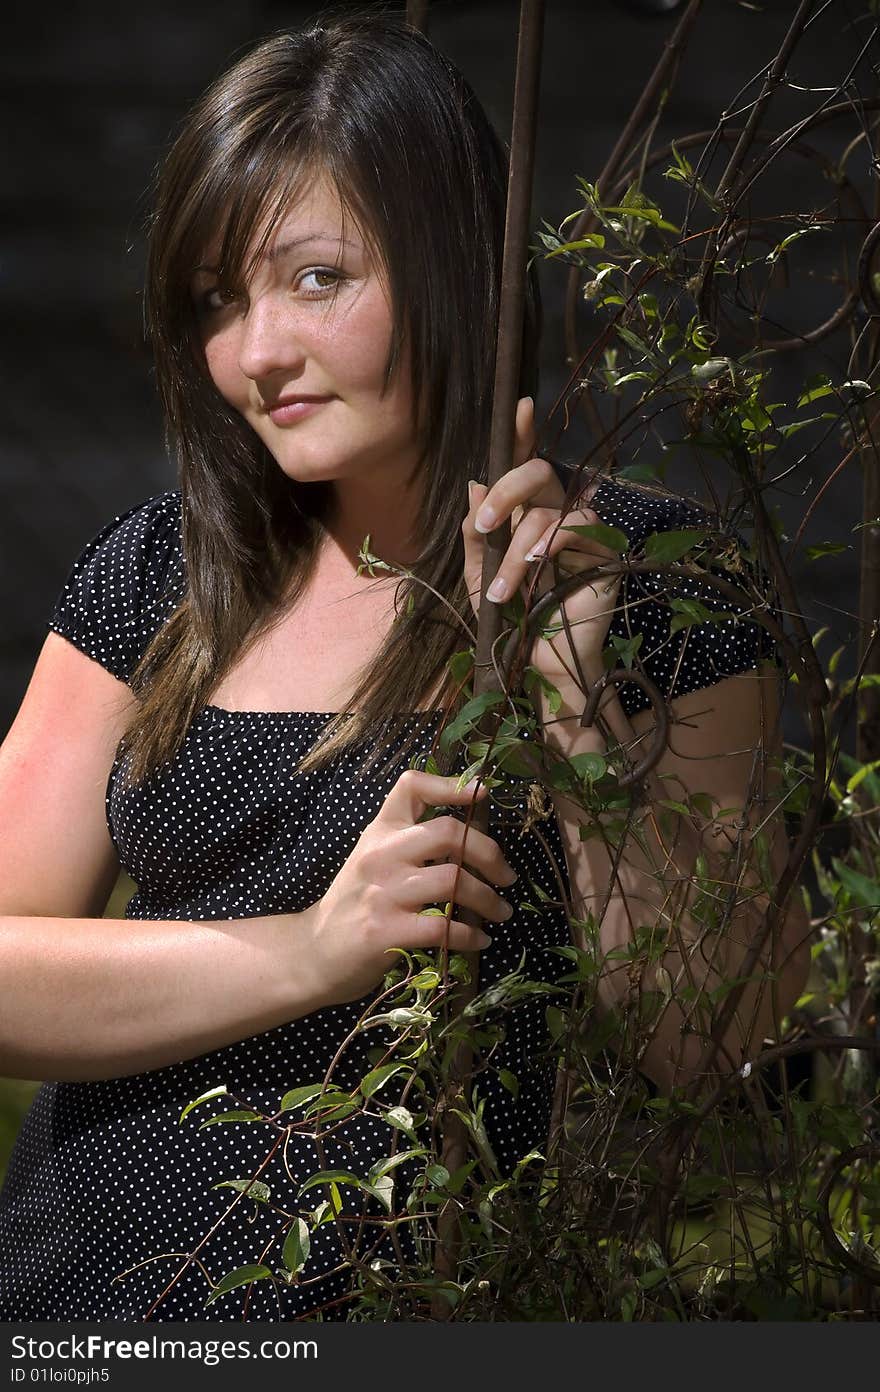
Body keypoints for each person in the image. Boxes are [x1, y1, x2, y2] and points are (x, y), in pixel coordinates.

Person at [0, 14, 808, 1322]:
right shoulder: (164, 572)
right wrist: (309, 953)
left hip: (424, 1308)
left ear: (458, 263)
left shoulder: (652, 582)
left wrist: (573, 715)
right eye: (217, 299)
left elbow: (721, 1047)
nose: (255, 352)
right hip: (63, 1301)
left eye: (315, 278)